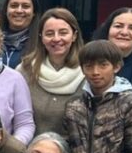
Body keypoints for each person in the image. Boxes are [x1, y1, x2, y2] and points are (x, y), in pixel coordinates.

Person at [18, 8, 84, 136]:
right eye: (49, 33)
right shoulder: (25, 70)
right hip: (31, 151)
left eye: (63, 33)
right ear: (41, 38)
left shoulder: (88, 72)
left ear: (74, 36)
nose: (56, 38)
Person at [0, 0, 38, 68]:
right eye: (14, 6)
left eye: (25, 6)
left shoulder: (41, 43)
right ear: (6, 10)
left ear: (34, 12)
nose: (19, 10)